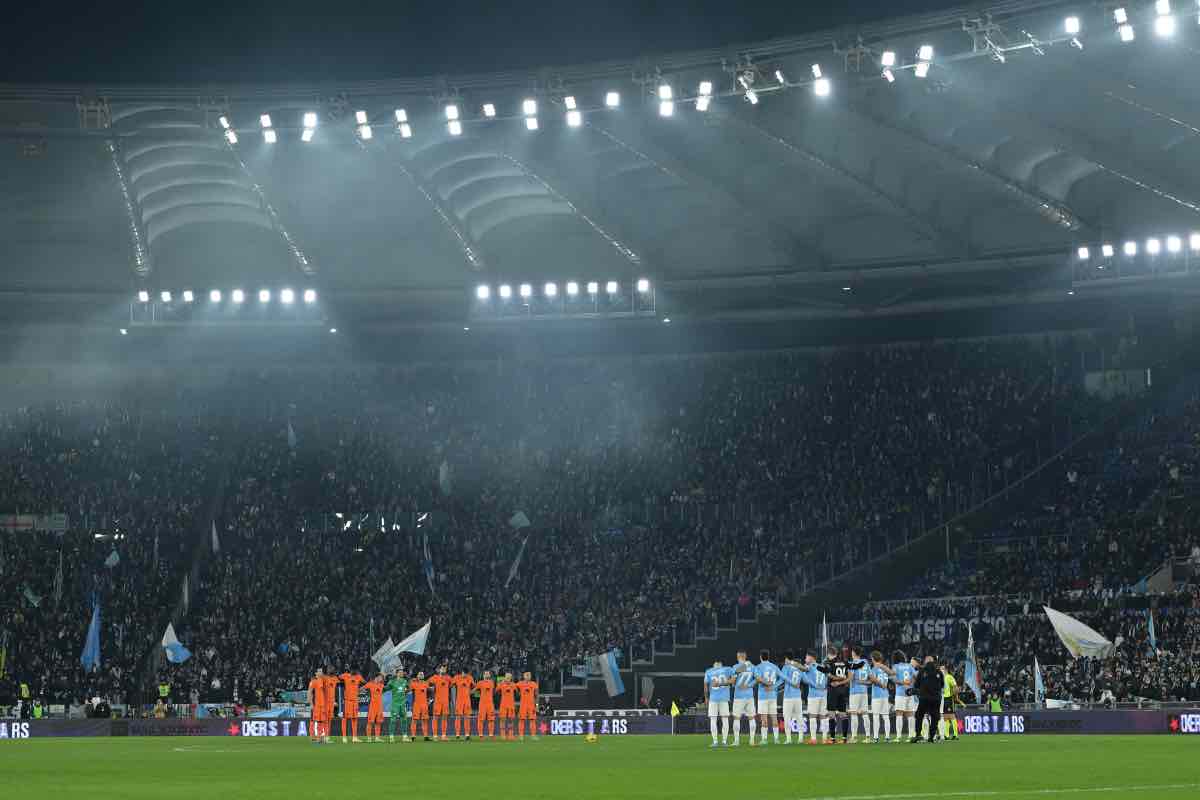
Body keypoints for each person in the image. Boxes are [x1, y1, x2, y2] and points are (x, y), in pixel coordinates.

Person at [753, 649, 782, 746]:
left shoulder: (758, 667)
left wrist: (767, 684)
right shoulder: (774, 667)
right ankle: (776, 739)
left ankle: (764, 740)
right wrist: (774, 686)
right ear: (768, 657)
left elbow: (758, 679)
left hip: (762, 696)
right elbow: (782, 678)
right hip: (773, 696)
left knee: (764, 719)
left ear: (760, 657)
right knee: (774, 718)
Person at [823, 645, 851, 743]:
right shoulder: (845, 663)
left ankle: (832, 739)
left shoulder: (829, 663)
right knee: (843, 714)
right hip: (842, 690)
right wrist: (841, 681)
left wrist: (836, 680)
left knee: (831, 714)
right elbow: (849, 678)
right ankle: (844, 739)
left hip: (833, 690)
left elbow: (829, 675)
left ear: (829, 654)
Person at [703, 658, 734, 747]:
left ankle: (715, 741)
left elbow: (705, 686)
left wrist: (706, 698)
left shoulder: (708, 671)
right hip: (724, 698)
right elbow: (733, 680)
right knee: (725, 720)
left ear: (714, 664)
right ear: (721, 664)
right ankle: (724, 741)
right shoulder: (727, 669)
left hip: (713, 698)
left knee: (713, 720)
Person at [912, 656, 943, 744]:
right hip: (936, 698)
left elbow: (916, 685)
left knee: (919, 715)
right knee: (935, 717)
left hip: (924, 698)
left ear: (925, 662)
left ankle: (918, 735)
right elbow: (942, 685)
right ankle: (932, 737)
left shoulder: (922, 672)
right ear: (933, 662)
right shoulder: (939, 672)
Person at [730, 649, 757, 746]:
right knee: (751, 718)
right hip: (749, 696)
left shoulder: (735, 667)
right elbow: (757, 679)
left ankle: (736, 741)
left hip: (739, 696)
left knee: (736, 718)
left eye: (737, 656)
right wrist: (749, 685)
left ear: (740, 656)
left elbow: (733, 682)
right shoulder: (752, 667)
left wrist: (733, 684)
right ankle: (752, 740)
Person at [801, 651, 830, 744]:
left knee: (812, 716)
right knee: (823, 716)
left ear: (811, 657)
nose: (805, 658)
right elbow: (826, 681)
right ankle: (825, 739)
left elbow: (805, 680)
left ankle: (813, 739)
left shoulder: (809, 667)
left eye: (806, 656)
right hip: (823, 694)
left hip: (813, 695)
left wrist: (806, 677)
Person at [891, 650, 917, 743]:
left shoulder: (895, 666)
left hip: (900, 693)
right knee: (910, 715)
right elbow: (915, 676)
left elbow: (894, 679)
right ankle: (911, 735)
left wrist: (902, 682)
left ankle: (898, 736)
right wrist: (911, 684)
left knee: (899, 714)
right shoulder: (909, 666)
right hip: (909, 693)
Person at [779, 652, 805, 745]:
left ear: (787, 659)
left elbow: (782, 679)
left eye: (785, 659)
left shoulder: (786, 667)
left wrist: (774, 687)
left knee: (787, 718)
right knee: (799, 717)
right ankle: (801, 738)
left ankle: (789, 739)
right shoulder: (799, 669)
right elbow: (805, 680)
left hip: (788, 697)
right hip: (798, 696)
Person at [868, 651, 893, 743]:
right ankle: (887, 737)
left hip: (876, 696)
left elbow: (873, 680)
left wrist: (865, 682)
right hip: (885, 695)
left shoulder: (874, 668)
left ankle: (876, 737)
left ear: (873, 659)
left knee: (876, 716)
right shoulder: (885, 668)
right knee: (886, 717)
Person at [847, 647, 872, 743]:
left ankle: (854, 737)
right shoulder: (865, 662)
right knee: (865, 714)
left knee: (854, 713)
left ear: (853, 653)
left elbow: (851, 677)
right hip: (864, 691)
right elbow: (870, 677)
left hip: (855, 691)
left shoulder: (853, 663)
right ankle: (868, 737)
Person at [339, 667, 365, 743]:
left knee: (355, 719)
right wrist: (344, 674)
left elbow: (365, 682)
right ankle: (344, 737)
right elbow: (339, 677)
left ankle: (354, 737)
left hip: (355, 701)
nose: (354, 671)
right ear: (350, 670)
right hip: (347, 701)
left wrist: (361, 688)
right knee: (345, 718)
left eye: (355, 670)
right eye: (353, 669)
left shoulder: (358, 677)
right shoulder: (346, 675)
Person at [385, 668, 411, 743]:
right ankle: (391, 736)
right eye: (400, 672)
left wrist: (405, 692)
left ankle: (405, 736)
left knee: (404, 720)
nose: (401, 674)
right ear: (396, 674)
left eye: (402, 672)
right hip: (395, 704)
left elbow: (408, 689)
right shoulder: (392, 682)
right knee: (393, 720)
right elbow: (386, 688)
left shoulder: (405, 681)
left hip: (402, 704)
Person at [430, 664, 452, 741]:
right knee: (435, 717)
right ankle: (435, 736)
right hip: (437, 701)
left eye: (445, 669)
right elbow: (426, 684)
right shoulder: (434, 677)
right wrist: (431, 688)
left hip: (445, 701)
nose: (443, 670)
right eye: (442, 668)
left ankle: (443, 735)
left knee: (445, 718)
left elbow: (452, 685)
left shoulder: (448, 678)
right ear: (439, 669)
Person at [452, 668, 474, 740]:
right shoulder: (456, 677)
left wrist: (471, 692)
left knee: (467, 717)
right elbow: (450, 685)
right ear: (461, 672)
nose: (465, 675)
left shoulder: (470, 678)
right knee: (458, 717)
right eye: (464, 673)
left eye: (466, 673)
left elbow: (475, 686)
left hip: (467, 700)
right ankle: (457, 734)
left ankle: (467, 734)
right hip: (459, 700)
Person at [516, 671, 539, 740]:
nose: (528, 676)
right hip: (523, 705)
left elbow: (536, 696)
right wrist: (519, 693)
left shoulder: (534, 684)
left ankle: (533, 735)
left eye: (529, 675)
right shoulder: (520, 683)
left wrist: (537, 706)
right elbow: (513, 687)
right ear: (524, 676)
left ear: (531, 676)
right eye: (526, 675)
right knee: (521, 720)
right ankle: (521, 735)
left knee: (532, 720)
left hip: (531, 705)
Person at [939, 664, 960, 741]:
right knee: (944, 717)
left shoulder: (949, 677)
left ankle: (955, 734)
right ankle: (946, 735)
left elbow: (955, 686)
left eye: (942, 669)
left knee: (951, 716)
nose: (941, 670)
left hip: (948, 698)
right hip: (941, 698)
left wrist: (955, 694)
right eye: (940, 669)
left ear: (946, 670)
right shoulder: (940, 677)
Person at [474, 670, 497, 739]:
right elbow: (475, 690)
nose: (487, 675)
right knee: (481, 719)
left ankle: (491, 734)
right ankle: (481, 735)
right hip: (482, 704)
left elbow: (493, 692)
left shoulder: (492, 683)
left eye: (488, 674)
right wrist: (468, 692)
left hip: (490, 703)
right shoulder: (480, 683)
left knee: (491, 719)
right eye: (485, 674)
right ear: (483, 675)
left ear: (489, 675)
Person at [410, 670, 431, 740]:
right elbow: (408, 689)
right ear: (417, 676)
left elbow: (430, 692)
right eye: (420, 674)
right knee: (414, 720)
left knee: (425, 720)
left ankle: (425, 736)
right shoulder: (413, 683)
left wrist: (429, 700)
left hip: (424, 704)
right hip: (416, 704)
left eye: (422, 674)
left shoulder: (426, 683)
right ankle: (413, 736)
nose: (421, 675)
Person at [307, 668, 326, 743]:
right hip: (316, 705)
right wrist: (311, 704)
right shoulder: (313, 681)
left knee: (321, 721)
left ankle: (320, 737)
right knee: (314, 720)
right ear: (316, 673)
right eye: (319, 671)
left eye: (322, 671)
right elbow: (309, 692)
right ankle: (313, 737)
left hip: (322, 705)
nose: (321, 672)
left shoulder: (323, 680)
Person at [365, 673, 386, 743]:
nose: (381, 679)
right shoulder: (370, 684)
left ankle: (377, 738)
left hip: (379, 706)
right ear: (376, 677)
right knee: (370, 722)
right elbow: (362, 689)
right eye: (381, 677)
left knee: (378, 722)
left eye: (382, 678)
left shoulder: (382, 685)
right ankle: (369, 738)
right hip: (372, 706)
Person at [497, 673, 518, 741]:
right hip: (503, 705)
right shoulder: (501, 684)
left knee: (511, 720)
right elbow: (496, 690)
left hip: (511, 705)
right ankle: (503, 735)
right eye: (507, 677)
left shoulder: (513, 685)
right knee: (502, 719)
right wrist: (500, 684)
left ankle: (510, 735)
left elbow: (517, 692)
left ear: (511, 678)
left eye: (509, 677)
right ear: (505, 678)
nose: (508, 679)